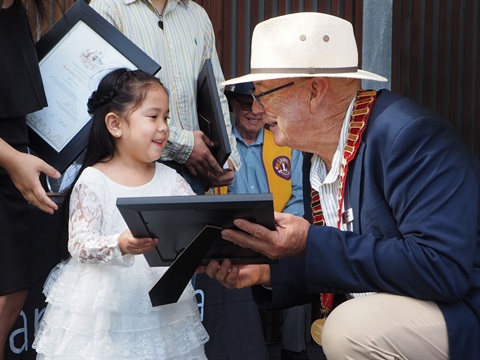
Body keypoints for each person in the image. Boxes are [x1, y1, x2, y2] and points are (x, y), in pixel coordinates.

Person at [203, 12, 480, 360]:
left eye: (262, 94)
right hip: (393, 317)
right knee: (348, 326)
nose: (258, 109)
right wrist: (266, 272)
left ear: (315, 91)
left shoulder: (408, 136)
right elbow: (342, 261)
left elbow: (441, 269)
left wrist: (308, 242)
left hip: (460, 313)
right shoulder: (313, 154)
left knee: (349, 330)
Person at [33, 68, 209, 359]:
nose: (164, 127)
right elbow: (78, 244)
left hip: (160, 304)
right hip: (102, 308)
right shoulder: (94, 180)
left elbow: (195, 222)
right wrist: (120, 244)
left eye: (166, 117)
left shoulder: (172, 179)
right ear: (115, 124)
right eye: (153, 117)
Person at [195, 82, 307, 360]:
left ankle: (294, 350)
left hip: (277, 232)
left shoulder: (285, 141)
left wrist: (278, 229)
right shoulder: (218, 148)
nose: (254, 111)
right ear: (232, 106)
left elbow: (300, 196)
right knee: (223, 271)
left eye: (259, 102)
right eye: (246, 103)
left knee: (300, 268)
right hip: (234, 239)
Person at [89, 0, 241, 195]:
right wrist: (184, 144)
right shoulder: (109, 7)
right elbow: (101, 94)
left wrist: (226, 158)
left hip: (194, 173)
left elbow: (215, 91)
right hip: (132, 173)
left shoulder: (198, 15)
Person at [0, 0, 61, 357]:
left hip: (15, 180)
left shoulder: (18, 12)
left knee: (12, 296)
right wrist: (11, 159)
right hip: (11, 167)